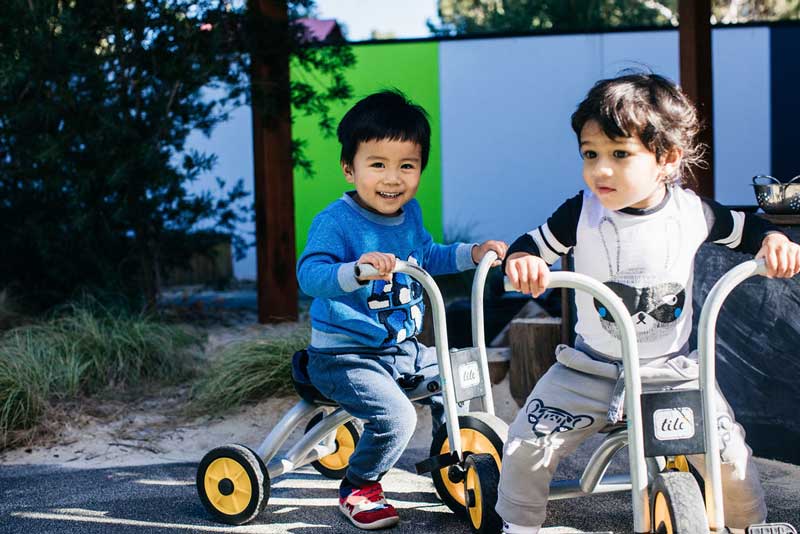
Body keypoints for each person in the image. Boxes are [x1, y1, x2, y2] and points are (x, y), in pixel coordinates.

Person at [498, 73, 800, 534]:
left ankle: (746, 525)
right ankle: (518, 526)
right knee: (526, 444)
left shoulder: (692, 212)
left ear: (667, 158)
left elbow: (750, 231)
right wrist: (522, 261)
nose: (601, 169)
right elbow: (530, 245)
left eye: (620, 155)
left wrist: (774, 240)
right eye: (590, 154)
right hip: (590, 368)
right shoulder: (580, 213)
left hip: (674, 372)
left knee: (729, 457)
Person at [297, 90, 507, 530]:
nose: (392, 179)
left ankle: (450, 456)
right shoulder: (335, 222)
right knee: (396, 416)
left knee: (455, 378)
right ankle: (359, 485)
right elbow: (310, 275)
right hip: (345, 356)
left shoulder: (408, 214)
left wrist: (473, 253)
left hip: (402, 349)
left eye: (406, 166)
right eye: (378, 165)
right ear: (349, 168)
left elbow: (428, 255)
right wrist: (356, 270)